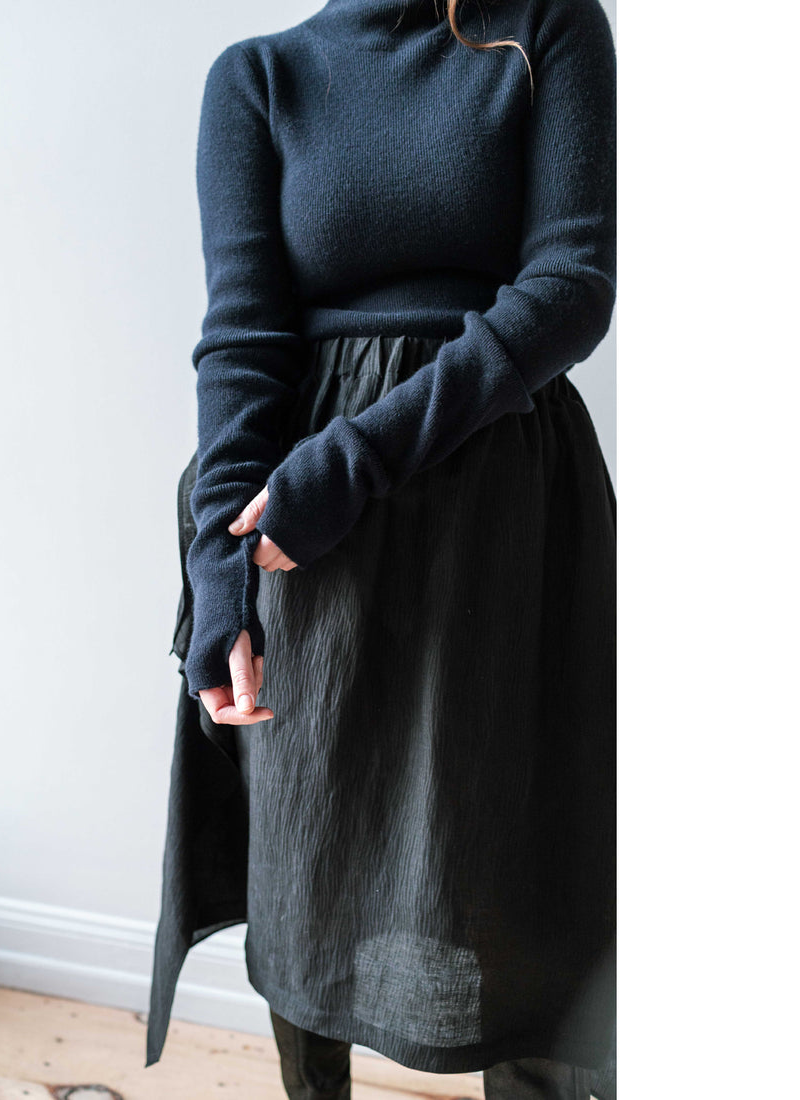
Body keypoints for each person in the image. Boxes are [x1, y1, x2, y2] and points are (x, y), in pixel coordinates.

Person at [146, 1, 617, 1098]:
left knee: (517, 881)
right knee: (307, 861)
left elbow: (569, 289)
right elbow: (243, 339)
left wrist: (352, 463)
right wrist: (217, 569)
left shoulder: (545, 27)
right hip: (302, 540)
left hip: (500, 521)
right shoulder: (258, 79)